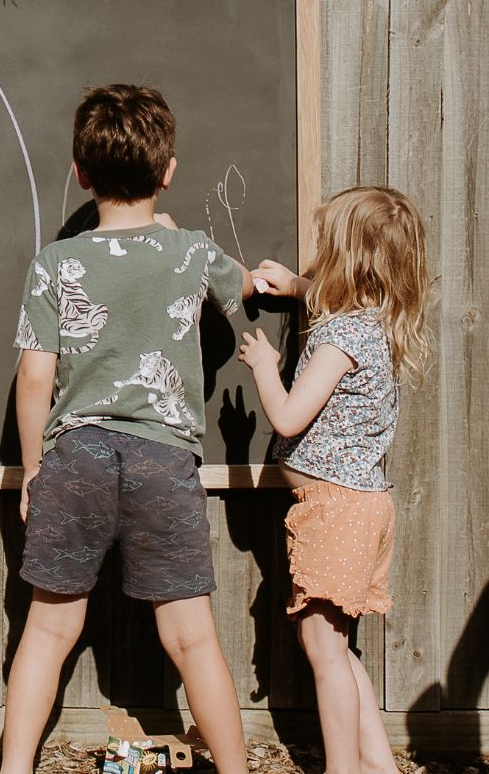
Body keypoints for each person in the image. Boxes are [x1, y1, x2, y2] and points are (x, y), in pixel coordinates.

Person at [1, 84, 254, 774]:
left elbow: (33, 377)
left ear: (81, 173)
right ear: (167, 171)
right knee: (193, 638)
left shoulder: (56, 264)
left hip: (76, 454)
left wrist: (33, 468)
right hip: (163, 458)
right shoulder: (194, 253)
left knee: (48, 630)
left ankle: (14, 768)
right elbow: (251, 290)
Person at [239, 185, 430, 774]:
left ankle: (344, 769)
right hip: (360, 504)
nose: (317, 252)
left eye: (326, 245)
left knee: (323, 650)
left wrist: (268, 368)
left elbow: (291, 415)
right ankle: (376, 765)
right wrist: (295, 286)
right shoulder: (367, 321)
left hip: (337, 508)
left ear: (348, 258)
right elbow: (323, 298)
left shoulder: (342, 335)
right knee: (336, 648)